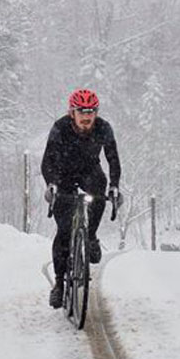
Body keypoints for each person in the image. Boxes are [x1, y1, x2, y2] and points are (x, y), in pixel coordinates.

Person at [41, 88, 121, 309]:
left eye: (91, 112)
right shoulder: (60, 128)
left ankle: (91, 236)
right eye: (81, 111)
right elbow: (47, 161)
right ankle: (59, 283)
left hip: (89, 172)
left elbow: (113, 159)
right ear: (72, 112)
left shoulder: (104, 128)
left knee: (100, 189)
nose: (87, 117)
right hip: (62, 174)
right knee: (64, 231)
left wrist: (115, 186)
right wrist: (52, 185)